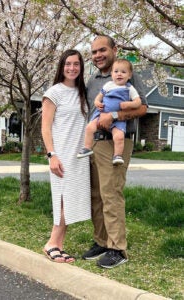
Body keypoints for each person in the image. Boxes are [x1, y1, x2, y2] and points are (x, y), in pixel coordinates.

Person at [82, 35, 148, 268]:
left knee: (111, 194)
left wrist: (116, 115)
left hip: (117, 141)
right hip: (96, 143)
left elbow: (142, 108)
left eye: (102, 50)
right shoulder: (93, 81)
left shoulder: (127, 75)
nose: (97, 55)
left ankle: (117, 248)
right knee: (96, 195)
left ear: (114, 50)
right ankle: (101, 240)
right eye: (93, 52)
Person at [41, 49, 91, 264]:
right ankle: (51, 243)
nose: (72, 68)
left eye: (76, 64)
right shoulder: (54, 92)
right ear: (62, 66)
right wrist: (52, 155)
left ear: (81, 67)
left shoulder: (82, 93)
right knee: (62, 200)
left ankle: (59, 245)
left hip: (78, 156)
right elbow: (45, 128)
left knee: (70, 201)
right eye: (68, 64)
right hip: (61, 155)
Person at [77, 58, 141, 165]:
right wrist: (97, 102)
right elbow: (99, 96)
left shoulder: (129, 88)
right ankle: (87, 148)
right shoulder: (108, 85)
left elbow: (138, 102)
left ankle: (117, 155)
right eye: (116, 72)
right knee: (89, 127)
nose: (119, 74)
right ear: (112, 74)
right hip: (101, 114)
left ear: (129, 75)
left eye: (123, 72)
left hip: (118, 120)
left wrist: (129, 104)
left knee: (119, 136)